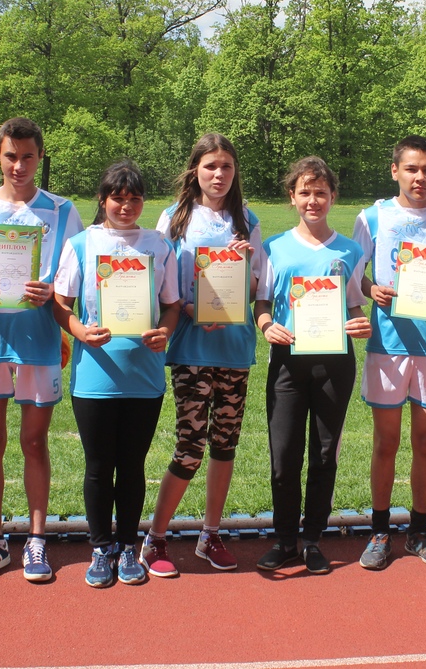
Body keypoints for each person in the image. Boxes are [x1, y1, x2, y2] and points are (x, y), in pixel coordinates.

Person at [0, 118, 82, 583]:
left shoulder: (63, 211)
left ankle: (35, 540)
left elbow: (74, 281)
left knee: (34, 441)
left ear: (39, 157)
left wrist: (52, 293)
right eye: (11, 156)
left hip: (39, 339)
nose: (19, 166)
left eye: (28, 156)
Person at [52, 160, 180, 588]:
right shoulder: (81, 244)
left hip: (143, 375)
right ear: (103, 200)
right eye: (117, 198)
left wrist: (165, 331)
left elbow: (173, 304)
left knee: (132, 466)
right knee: (98, 466)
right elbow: (60, 302)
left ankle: (128, 545)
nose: (126, 206)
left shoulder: (159, 245)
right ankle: (100, 547)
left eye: (134, 198)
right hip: (95, 377)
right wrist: (79, 331)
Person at [141, 135, 263, 577]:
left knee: (225, 445)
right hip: (191, 347)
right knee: (190, 447)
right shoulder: (173, 219)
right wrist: (192, 308)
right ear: (195, 169)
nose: (219, 175)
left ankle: (210, 534)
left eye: (226, 167)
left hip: (234, 348)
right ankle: (155, 539)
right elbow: (159, 284)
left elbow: (255, 292)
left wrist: (247, 265)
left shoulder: (246, 219)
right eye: (211, 166)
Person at [352, 136, 426, 571]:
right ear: (395, 171)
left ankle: (419, 531)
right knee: (386, 442)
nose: (421, 178)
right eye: (412, 169)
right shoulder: (373, 217)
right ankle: (380, 531)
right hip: (387, 345)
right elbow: (356, 274)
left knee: (425, 440)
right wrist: (370, 288)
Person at [254, 157, 371, 575]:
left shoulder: (350, 250)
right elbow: (262, 301)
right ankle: (285, 540)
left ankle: (312, 540)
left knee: (324, 455)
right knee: (284, 456)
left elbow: (354, 300)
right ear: (292, 197)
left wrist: (360, 322)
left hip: (335, 362)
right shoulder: (273, 248)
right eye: (305, 192)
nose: (313, 199)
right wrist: (266, 324)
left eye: (321, 192)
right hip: (287, 361)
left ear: (333, 197)